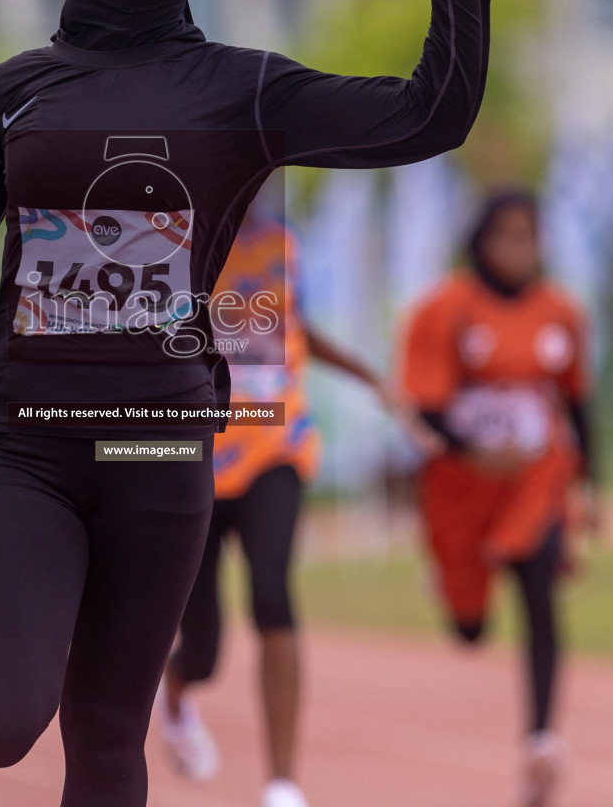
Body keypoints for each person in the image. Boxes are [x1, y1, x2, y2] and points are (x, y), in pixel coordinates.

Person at [0, 0, 491, 807]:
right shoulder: (6, 96)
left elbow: (430, 117)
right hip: (26, 447)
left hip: (159, 446)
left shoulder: (244, 91)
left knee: (107, 734)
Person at [154, 179, 442, 807]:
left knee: (271, 591)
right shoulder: (168, 249)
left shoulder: (282, 244)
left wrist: (374, 380)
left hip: (275, 446)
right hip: (194, 456)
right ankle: (176, 691)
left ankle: (282, 783)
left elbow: (296, 328)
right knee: (203, 649)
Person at [393, 190, 599, 807]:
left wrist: (593, 485)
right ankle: (454, 587)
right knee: (470, 630)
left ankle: (540, 739)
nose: (518, 249)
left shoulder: (560, 312)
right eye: (506, 236)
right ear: (480, 242)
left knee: (541, 587)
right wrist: (474, 451)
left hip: (536, 479)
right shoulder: (444, 310)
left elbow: (580, 402)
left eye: (528, 237)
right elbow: (425, 408)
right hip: (460, 487)